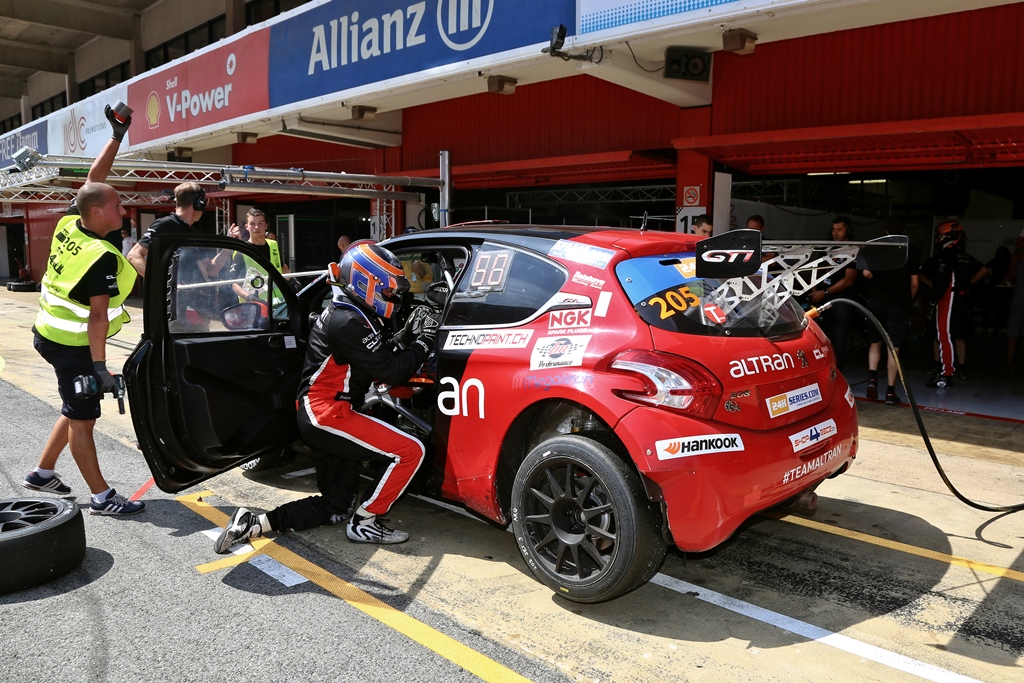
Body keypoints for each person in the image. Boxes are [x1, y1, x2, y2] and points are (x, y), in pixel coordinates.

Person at [214, 242, 440, 552]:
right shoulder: (348, 321)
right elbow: (392, 371)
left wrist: (408, 336)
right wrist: (426, 339)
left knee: (336, 505)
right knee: (411, 451)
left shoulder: (349, 312)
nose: (393, 297)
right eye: (388, 291)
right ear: (367, 282)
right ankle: (365, 522)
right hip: (329, 414)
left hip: (320, 414)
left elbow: (378, 357)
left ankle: (255, 523)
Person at [22, 105, 144, 515]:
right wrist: (99, 367)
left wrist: (116, 136)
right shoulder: (100, 257)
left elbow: (93, 180)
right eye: (117, 206)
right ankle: (102, 497)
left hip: (47, 334)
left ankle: (42, 472)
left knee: (74, 406)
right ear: (97, 212)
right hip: (71, 346)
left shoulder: (71, 223)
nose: (123, 211)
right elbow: (97, 318)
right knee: (83, 419)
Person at [127, 182, 231, 328]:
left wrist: (228, 246)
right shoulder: (164, 225)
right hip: (173, 312)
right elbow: (133, 255)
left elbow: (211, 269)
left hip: (197, 313)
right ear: (199, 204)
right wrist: (164, 283)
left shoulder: (193, 232)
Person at [918, 221, 988, 388]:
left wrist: (934, 295)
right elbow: (984, 270)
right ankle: (948, 371)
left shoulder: (945, 256)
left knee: (944, 335)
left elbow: (935, 279)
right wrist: (968, 284)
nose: (938, 239)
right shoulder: (965, 256)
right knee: (951, 335)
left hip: (948, 298)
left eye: (940, 236)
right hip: (960, 299)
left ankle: (946, 374)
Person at [861, 219, 919, 405]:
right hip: (898, 304)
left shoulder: (878, 248)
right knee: (894, 347)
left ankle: (872, 379)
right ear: (904, 231)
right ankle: (890, 393)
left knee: (875, 342)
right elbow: (915, 283)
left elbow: (866, 274)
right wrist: (908, 302)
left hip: (876, 301)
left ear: (886, 231)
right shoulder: (911, 250)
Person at [810, 216, 860, 372]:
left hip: (842, 301)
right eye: (833, 229)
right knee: (820, 337)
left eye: (839, 229)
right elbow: (815, 270)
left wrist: (824, 292)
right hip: (822, 299)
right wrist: (814, 290)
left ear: (848, 231)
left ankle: (838, 373)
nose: (835, 233)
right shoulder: (827, 249)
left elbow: (848, 280)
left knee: (839, 339)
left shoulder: (853, 251)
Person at [227, 208, 290, 302]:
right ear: (246, 226)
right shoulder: (241, 251)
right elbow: (234, 283)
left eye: (260, 223)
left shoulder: (273, 245)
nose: (256, 227)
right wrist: (248, 297)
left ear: (266, 226)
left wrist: (292, 280)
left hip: (278, 302)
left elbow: (281, 266)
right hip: (254, 306)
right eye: (252, 224)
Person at [1005, 234, 1024, 370]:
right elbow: (1010, 277)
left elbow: (1010, 277)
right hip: (1020, 298)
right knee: (1013, 330)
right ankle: (1009, 361)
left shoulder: (1017, 258)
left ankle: (1009, 361)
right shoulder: (1017, 259)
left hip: (1020, 298)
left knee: (1013, 329)